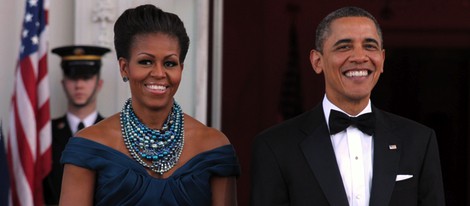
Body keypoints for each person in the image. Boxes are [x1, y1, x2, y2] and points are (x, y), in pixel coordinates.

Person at [250, 6, 445, 206]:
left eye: (369, 46)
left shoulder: (419, 141)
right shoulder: (274, 145)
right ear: (317, 61)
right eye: (344, 47)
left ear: (382, 60)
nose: (360, 57)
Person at [58, 4, 240, 206]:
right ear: (124, 67)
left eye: (170, 63)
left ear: (181, 68)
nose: (159, 73)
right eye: (146, 62)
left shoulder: (214, 146)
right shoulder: (89, 145)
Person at [43, 45, 110, 205]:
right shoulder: (45, 133)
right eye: (73, 78)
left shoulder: (113, 133)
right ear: (63, 83)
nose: (79, 85)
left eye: (86, 78)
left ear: (99, 84)